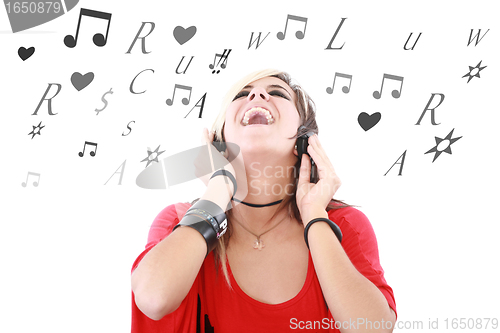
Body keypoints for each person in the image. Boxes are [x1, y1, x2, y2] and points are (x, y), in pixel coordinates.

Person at [130, 69, 397, 332]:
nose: (257, 94)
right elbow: (153, 299)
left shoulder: (343, 224)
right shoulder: (178, 223)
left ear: (304, 140)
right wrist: (218, 189)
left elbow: (371, 329)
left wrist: (314, 216)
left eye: (277, 93)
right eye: (243, 94)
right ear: (220, 143)